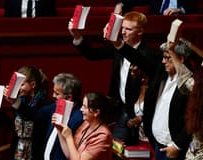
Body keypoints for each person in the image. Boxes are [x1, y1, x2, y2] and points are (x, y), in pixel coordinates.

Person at [68, 11, 162, 143]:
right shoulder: (118, 48)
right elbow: (92, 54)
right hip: (120, 108)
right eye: (122, 28)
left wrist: (117, 43)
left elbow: (137, 58)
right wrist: (77, 36)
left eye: (128, 29)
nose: (123, 32)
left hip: (141, 113)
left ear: (140, 31)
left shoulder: (150, 54)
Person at [113, 39, 193, 159]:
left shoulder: (190, 85)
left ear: (180, 59)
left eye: (167, 58)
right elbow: (138, 59)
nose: (163, 61)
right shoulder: (161, 73)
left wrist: (178, 145)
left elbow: (193, 119)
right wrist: (118, 43)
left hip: (174, 149)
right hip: (157, 144)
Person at [0, 66, 53, 160]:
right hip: (18, 152)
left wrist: (15, 102)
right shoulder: (21, 100)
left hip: (36, 154)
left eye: (21, 85)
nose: (18, 88)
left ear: (33, 84)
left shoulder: (47, 104)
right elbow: (14, 128)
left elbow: (33, 117)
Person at [34, 73, 84, 160]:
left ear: (69, 97)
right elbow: (34, 115)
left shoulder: (79, 119)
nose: (53, 96)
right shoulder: (54, 107)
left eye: (57, 93)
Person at [53, 92, 113, 160]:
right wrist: (59, 129)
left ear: (96, 112)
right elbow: (70, 155)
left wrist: (69, 137)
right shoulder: (86, 124)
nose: (81, 109)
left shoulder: (103, 137)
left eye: (84, 107)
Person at [114, 0, 196, 15]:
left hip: (178, 23)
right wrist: (120, 4)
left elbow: (193, 8)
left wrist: (179, 10)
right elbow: (134, 1)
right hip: (157, 25)